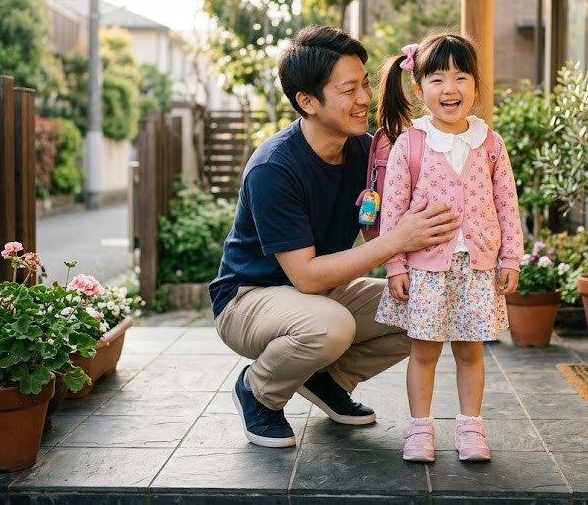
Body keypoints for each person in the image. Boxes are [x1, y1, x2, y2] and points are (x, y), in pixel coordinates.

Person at [208, 25, 461, 449]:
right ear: (306, 101)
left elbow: (384, 219)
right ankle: (259, 390)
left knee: (426, 305)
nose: (365, 98)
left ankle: (326, 379)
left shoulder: (364, 150)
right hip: (249, 298)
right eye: (349, 90)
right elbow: (305, 276)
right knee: (331, 327)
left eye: (365, 84)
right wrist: (397, 240)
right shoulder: (274, 168)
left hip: (322, 293)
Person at [373, 33, 523, 463]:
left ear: (476, 86)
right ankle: (419, 429)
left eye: (461, 77)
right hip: (426, 269)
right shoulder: (411, 143)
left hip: (477, 267)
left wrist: (510, 256)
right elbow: (394, 212)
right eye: (438, 79)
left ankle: (470, 427)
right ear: (418, 89)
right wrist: (395, 266)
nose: (450, 89)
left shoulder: (490, 144)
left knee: (470, 350)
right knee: (423, 351)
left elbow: (506, 203)